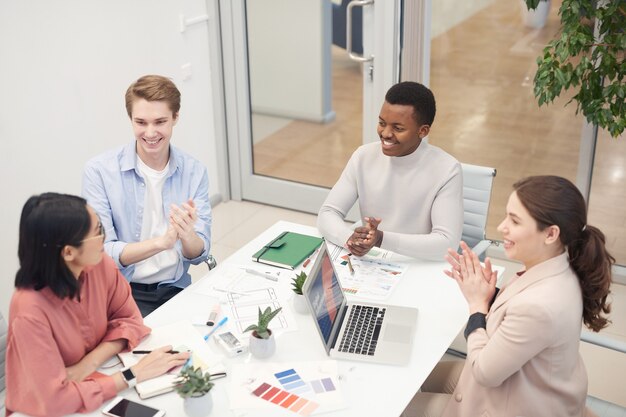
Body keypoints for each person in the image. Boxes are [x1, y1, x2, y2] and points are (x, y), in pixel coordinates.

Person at [403, 175, 613, 417]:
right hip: (521, 383)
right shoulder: (558, 266)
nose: (502, 227)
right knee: (416, 373)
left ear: (551, 234)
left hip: (513, 402)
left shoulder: (541, 305)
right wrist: (491, 297)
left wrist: (477, 308)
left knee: (398, 406)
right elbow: (519, 319)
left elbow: (484, 372)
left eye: (514, 221)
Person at [5, 193, 190, 417]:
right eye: (98, 233)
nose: (105, 239)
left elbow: (131, 320)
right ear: (69, 252)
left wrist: (88, 364)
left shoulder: (99, 264)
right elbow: (54, 400)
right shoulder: (29, 310)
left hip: (98, 380)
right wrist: (133, 374)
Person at [82, 74, 212, 316]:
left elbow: (198, 254)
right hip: (122, 292)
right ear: (130, 119)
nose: (150, 133)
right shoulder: (99, 172)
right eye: (141, 122)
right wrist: (161, 243)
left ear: (175, 118)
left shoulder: (194, 171)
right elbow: (101, 252)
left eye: (160, 122)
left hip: (175, 287)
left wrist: (188, 235)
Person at [317, 81, 463, 260]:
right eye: (382, 123)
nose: (385, 133)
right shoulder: (363, 157)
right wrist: (349, 238)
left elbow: (446, 244)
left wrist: (381, 239)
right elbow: (327, 213)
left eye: (398, 128)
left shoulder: (447, 170)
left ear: (423, 131)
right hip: (372, 262)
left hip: (418, 263)